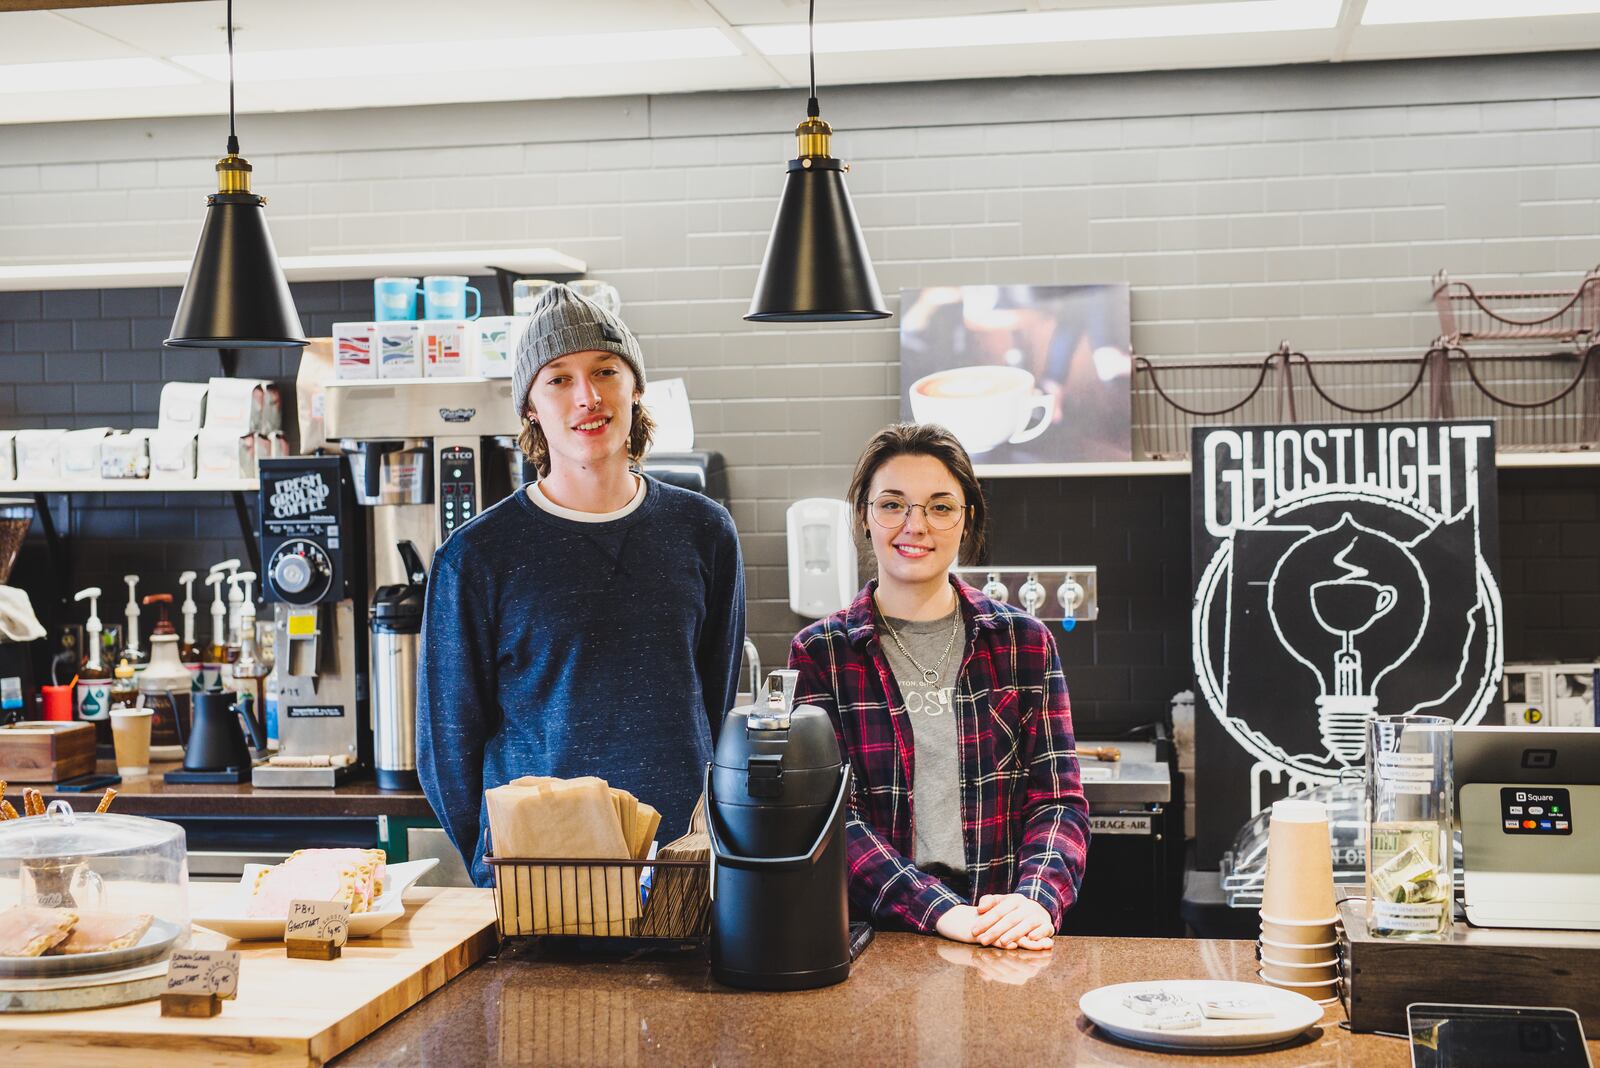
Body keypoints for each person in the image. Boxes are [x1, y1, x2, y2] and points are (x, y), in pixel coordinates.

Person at [417, 284, 746, 887]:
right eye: (559, 379)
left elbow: (713, 700)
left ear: (635, 386)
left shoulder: (703, 531)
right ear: (531, 408)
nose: (587, 397)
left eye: (604, 371)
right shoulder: (476, 557)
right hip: (543, 873)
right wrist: (498, 863)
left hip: (683, 866)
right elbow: (446, 747)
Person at [788, 422, 1089, 950]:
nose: (915, 525)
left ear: (965, 518)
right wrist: (941, 911)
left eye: (940, 506)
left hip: (1001, 928)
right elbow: (829, 818)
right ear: (864, 515)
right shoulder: (821, 653)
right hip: (874, 939)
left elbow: (1058, 800)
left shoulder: (1024, 643)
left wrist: (1035, 898)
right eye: (892, 504)